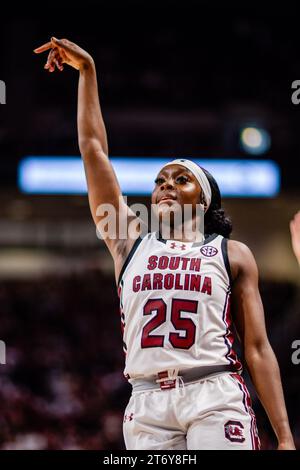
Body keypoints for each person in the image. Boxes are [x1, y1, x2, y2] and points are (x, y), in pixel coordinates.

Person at [34, 38, 295, 450]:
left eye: (180, 179)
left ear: (204, 198)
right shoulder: (129, 242)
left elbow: (258, 349)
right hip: (146, 402)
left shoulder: (231, 253)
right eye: (159, 181)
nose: (166, 186)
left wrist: (284, 436)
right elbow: (93, 150)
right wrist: (87, 73)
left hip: (214, 393)